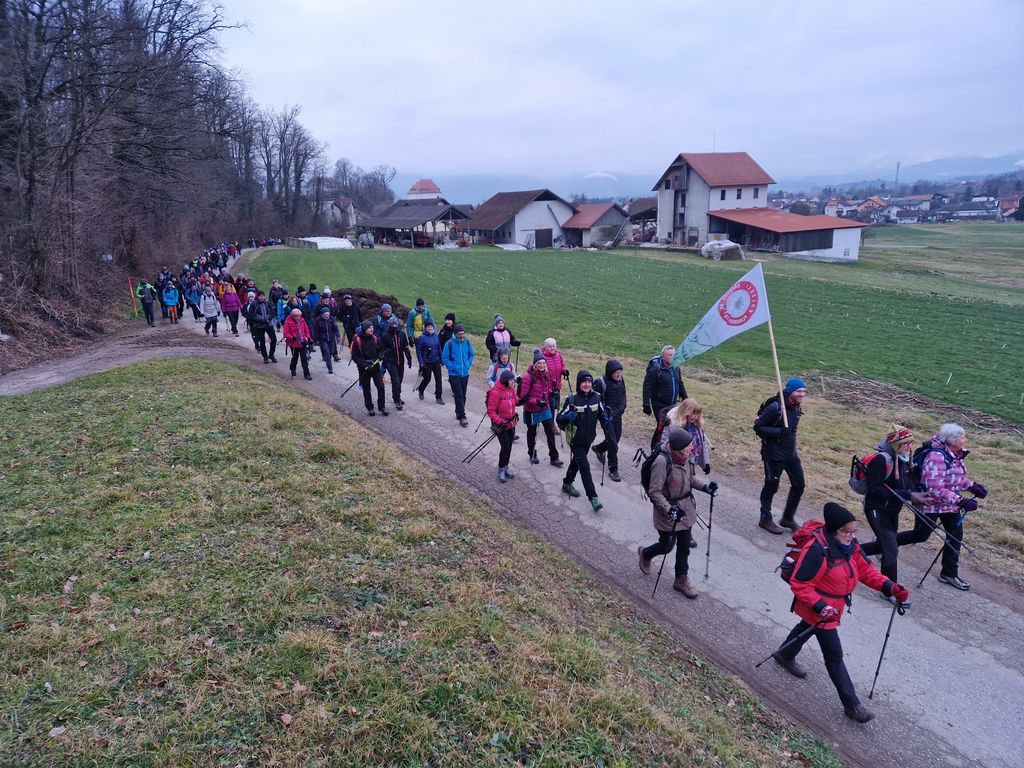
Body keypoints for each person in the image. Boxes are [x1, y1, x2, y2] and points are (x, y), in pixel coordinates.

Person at [772, 502, 910, 724]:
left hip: (832, 608)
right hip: (819, 608)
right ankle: (852, 705)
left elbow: (865, 571)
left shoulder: (850, 546)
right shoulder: (816, 551)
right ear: (835, 530)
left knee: (807, 627)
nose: (852, 536)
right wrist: (820, 606)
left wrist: (890, 586)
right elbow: (800, 584)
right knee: (834, 655)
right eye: (848, 532)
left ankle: (785, 654)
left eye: (854, 531)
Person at [898, 423, 986, 591]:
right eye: (962, 437)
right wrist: (961, 501)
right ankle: (885, 543)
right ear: (952, 440)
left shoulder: (955, 454)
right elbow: (935, 488)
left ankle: (949, 574)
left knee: (955, 537)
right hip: (929, 504)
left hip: (949, 505)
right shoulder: (936, 456)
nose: (965, 439)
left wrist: (972, 486)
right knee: (920, 535)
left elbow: (955, 479)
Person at [637, 427, 715, 598]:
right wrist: (669, 510)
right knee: (666, 546)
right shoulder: (661, 462)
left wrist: (706, 487)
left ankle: (681, 579)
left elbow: (690, 479)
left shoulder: (685, 458)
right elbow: (654, 492)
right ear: (678, 449)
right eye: (688, 447)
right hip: (668, 510)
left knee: (684, 546)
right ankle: (646, 553)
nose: (691, 449)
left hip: (686, 509)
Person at [859, 425, 933, 596]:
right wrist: (909, 495)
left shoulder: (903, 459)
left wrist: (917, 495)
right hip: (877, 509)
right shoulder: (881, 460)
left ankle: (847, 552)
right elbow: (874, 489)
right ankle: (889, 591)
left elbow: (906, 484)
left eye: (911, 442)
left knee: (885, 545)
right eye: (906, 443)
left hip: (892, 510)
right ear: (895, 444)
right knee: (891, 549)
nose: (909, 446)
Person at [754, 377, 807, 535]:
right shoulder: (775, 407)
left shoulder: (796, 406)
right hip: (773, 455)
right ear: (790, 391)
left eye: (804, 391)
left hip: (790, 454)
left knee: (799, 485)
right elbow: (758, 427)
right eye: (799, 391)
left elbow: (792, 432)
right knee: (771, 486)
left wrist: (789, 441)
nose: (802, 394)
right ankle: (765, 519)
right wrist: (779, 432)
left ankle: (787, 519)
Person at [556, 370, 609, 511]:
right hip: (575, 440)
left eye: (589, 382)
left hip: (589, 438)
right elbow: (559, 417)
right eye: (584, 382)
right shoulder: (571, 399)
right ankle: (593, 497)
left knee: (577, 462)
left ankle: (567, 483)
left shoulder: (597, 397)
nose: (587, 384)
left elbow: (602, 413)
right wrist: (568, 417)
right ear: (579, 383)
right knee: (584, 467)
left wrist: (606, 419)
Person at [518, 351, 562, 467]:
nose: (542, 365)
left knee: (550, 431)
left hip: (544, 408)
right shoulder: (528, 378)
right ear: (535, 364)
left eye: (543, 363)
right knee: (532, 433)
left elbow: (545, 391)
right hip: (531, 410)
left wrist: (552, 393)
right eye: (539, 363)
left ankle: (554, 457)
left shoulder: (546, 375)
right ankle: (532, 453)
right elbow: (524, 397)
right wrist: (536, 402)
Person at [592, 359, 626, 483]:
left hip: (617, 415)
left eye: (620, 372)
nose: (618, 375)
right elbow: (596, 400)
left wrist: (622, 408)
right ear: (610, 372)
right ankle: (613, 469)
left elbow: (623, 395)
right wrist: (604, 414)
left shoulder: (621, 380)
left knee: (616, 438)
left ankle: (599, 449)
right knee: (612, 443)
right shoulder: (600, 382)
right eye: (616, 372)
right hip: (606, 418)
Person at [486, 369, 519, 483]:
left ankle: (506, 467)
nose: (513, 382)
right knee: (505, 446)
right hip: (500, 425)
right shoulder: (495, 392)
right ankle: (501, 469)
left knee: (509, 447)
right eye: (511, 380)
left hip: (511, 423)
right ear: (505, 381)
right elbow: (491, 411)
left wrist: (524, 398)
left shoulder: (511, 389)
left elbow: (516, 401)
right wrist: (500, 421)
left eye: (513, 380)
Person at [642, 345, 687, 428]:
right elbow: (647, 386)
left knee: (670, 426)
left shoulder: (676, 368)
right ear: (663, 356)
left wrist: (685, 397)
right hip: (659, 404)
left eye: (674, 354)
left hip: (673, 404)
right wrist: (646, 404)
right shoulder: (655, 369)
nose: (672, 357)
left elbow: (680, 383)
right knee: (664, 426)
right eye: (669, 355)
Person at [351, 320, 387, 416]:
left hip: (375, 367)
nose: (372, 329)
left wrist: (381, 355)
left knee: (381, 386)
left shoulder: (375, 338)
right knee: (366, 389)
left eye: (372, 327)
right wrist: (364, 365)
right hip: (364, 369)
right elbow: (355, 356)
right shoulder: (357, 340)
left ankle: (382, 406)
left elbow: (380, 349)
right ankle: (370, 407)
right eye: (370, 328)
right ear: (365, 329)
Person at [441, 323, 474, 426]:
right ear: (455, 334)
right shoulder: (449, 343)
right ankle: (462, 416)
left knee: (463, 395)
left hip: (465, 374)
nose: (461, 335)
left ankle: (458, 412)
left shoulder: (467, 342)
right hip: (454, 374)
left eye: (463, 333)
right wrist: (453, 367)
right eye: (459, 334)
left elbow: (471, 354)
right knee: (459, 394)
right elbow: (444, 358)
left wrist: (468, 364)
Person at [381, 315, 413, 409]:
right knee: (396, 381)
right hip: (391, 362)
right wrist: (386, 360)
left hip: (401, 362)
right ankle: (397, 400)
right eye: (392, 325)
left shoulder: (402, 334)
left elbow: (405, 347)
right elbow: (381, 350)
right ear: (389, 325)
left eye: (395, 324)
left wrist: (409, 358)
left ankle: (396, 396)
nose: (394, 326)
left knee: (400, 380)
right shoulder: (385, 336)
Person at [540, 338, 569, 428]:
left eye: (554, 346)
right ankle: (551, 425)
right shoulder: (542, 358)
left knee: (556, 406)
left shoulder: (558, 355)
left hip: (557, 386)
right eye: (550, 346)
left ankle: (549, 423)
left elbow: (562, 365)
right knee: (551, 407)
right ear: (545, 347)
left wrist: (564, 370)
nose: (552, 348)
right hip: (547, 387)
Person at [415, 321, 444, 404]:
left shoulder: (436, 336)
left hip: (436, 360)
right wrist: (421, 362)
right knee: (427, 379)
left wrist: (441, 359)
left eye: (431, 326)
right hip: (427, 362)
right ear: (425, 328)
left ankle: (438, 397)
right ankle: (421, 389)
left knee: (439, 379)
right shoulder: (422, 338)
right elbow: (418, 351)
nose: (430, 328)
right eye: (428, 327)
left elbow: (439, 348)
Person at [283, 307, 313, 380]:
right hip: (293, 343)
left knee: (304, 358)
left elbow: (306, 330)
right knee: (295, 357)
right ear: (293, 316)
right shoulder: (288, 322)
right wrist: (291, 337)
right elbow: (286, 333)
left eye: (299, 316)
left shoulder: (302, 321)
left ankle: (306, 374)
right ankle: (292, 368)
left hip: (302, 342)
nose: (298, 318)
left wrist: (309, 337)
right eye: (296, 316)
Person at [248, 289, 278, 363]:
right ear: (257, 297)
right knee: (262, 341)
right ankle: (265, 357)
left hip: (269, 324)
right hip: (259, 325)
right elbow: (252, 315)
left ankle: (271, 354)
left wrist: (268, 319)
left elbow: (272, 312)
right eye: (260, 296)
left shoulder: (268, 303)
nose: (262, 297)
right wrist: (263, 319)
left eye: (263, 296)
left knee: (274, 339)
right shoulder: (254, 304)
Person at [313, 305, 341, 374]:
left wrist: (338, 336)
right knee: (327, 353)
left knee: (331, 352)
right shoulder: (318, 320)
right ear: (322, 314)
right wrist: (316, 340)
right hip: (323, 339)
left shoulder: (332, 319)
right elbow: (316, 331)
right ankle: (330, 368)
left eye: (327, 314)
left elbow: (336, 328)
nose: (326, 316)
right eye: (325, 314)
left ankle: (329, 358)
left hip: (331, 338)